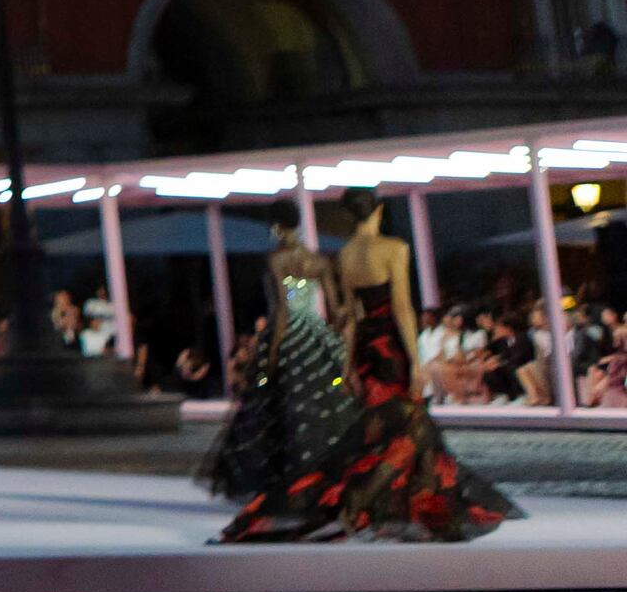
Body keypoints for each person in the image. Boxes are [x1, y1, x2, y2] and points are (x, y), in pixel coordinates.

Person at [219, 197, 524, 543]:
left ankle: (394, 499)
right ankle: (372, 500)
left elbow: (350, 316)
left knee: (384, 430)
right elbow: (402, 308)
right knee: (410, 426)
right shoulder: (393, 248)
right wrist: (416, 361)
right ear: (378, 211)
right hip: (390, 348)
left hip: (364, 350)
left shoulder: (345, 254)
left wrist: (347, 365)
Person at [199, 241, 358, 513]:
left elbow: (283, 308)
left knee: (276, 406)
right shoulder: (317, 262)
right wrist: (339, 339)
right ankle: (324, 478)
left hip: (289, 334)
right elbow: (335, 308)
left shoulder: (277, 259)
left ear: (277, 227)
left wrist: (271, 352)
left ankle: (284, 479)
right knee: (326, 408)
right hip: (315, 332)